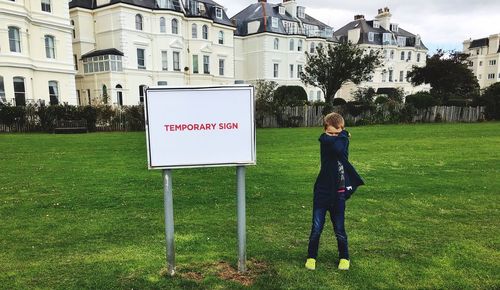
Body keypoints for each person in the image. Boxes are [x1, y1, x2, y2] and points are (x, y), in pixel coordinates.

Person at [305, 112, 364, 271]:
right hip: (322, 193)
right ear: (324, 130)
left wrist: (341, 135)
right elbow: (335, 146)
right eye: (330, 132)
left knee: (339, 229)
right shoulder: (325, 141)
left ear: (342, 130)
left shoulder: (341, 141)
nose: (333, 136)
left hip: (339, 194)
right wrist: (343, 134)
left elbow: (339, 149)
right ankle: (311, 257)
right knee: (316, 228)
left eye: (336, 133)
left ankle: (344, 257)